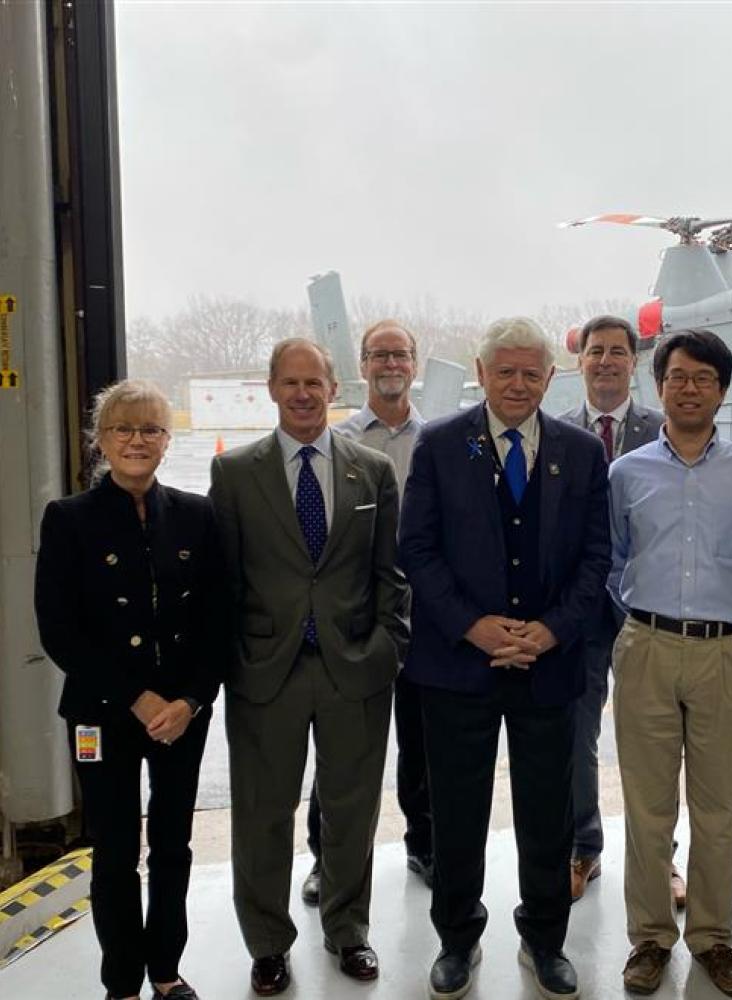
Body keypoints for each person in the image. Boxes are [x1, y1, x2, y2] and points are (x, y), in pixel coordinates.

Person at [398, 316, 610, 1000]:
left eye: (532, 373)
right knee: (456, 813)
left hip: (549, 665)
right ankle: (457, 940)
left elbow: (596, 558)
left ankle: (545, 939)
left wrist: (549, 631)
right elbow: (417, 552)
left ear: (551, 378)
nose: (518, 384)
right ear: (481, 373)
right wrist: (472, 627)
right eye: (505, 371)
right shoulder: (437, 446)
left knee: (548, 813)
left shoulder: (580, 453)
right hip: (458, 667)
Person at [209, 338, 408, 995]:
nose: (301, 394)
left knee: (351, 813)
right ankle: (268, 945)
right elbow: (224, 579)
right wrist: (235, 658)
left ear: (332, 389)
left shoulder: (371, 470)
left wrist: (387, 647)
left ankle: (348, 932)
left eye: (313, 383)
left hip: (354, 668)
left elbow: (391, 575)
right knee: (264, 814)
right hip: (267, 671)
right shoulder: (235, 474)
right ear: (270, 389)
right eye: (289, 382)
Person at [35, 379, 228, 1000]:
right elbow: (60, 631)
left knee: (173, 846)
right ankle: (121, 981)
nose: (136, 440)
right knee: (115, 850)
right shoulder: (68, 520)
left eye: (150, 429)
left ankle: (166, 973)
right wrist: (137, 698)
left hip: (180, 715)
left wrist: (191, 700)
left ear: (168, 442)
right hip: (103, 713)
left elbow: (218, 621)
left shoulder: (198, 516)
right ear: (101, 439)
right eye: (123, 429)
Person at [609, 329, 732, 998]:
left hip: (721, 652)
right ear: (660, 386)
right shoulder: (627, 473)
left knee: (719, 807)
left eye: (703, 378)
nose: (688, 387)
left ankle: (714, 939)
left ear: (722, 389)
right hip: (646, 646)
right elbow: (614, 556)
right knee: (648, 808)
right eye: (677, 376)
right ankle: (650, 939)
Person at [301, 319, 431, 908]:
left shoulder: (438, 440)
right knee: (343, 747)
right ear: (363, 364)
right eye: (380, 355)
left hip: (426, 615)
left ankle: (423, 846)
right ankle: (324, 859)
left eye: (400, 355)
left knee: (423, 742)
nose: (391, 365)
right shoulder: (339, 442)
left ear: (414, 364)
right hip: (358, 615)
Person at [558, 314, 686, 908]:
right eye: (595, 351)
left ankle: (661, 858)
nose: (606, 361)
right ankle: (584, 847)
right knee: (575, 735)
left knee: (655, 740)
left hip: (645, 610)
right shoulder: (553, 435)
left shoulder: (664, 433)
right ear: (579, 361)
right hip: (579, 614)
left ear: (632, 363)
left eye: (617, 352)